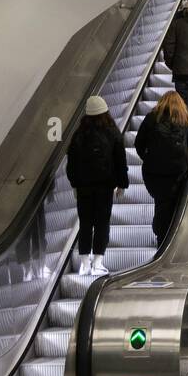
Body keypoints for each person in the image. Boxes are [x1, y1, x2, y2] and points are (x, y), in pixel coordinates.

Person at [65, 95, 128, 275]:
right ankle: (98, 263)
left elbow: (71, 163)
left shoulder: (79, 134)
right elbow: (120, 161)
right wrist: (121, 184)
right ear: (105, 111)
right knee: (102, 222)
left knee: (85, 223)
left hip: (84, 187)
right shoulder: (112, 132)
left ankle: (84, 263)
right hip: (105, 187)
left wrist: (74, 185)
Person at [134, 91, 188, 247]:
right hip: (177, 174)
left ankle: (161, 237)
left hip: (154, 173)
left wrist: (149, 159)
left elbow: (138, 144)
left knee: (161, 203)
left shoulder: (152, 118)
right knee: (173, 205)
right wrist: (186, 168)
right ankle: (172, 240)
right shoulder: (186, 120)